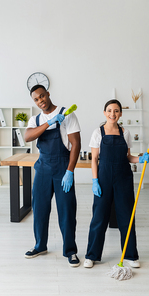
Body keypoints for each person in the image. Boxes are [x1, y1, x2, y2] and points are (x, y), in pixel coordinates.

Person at [84, 99, 149, 268]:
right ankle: (91, 255)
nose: (113, 114)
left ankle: (130, 255)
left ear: (120, 113)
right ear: (105, 113)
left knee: (127, 217)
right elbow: (94, 159)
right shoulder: (98, 133)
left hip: (123, 179)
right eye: (109, 110)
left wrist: (140, 159)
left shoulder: (125, 133)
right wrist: (94, 181)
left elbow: (128, 157)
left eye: (116, 111)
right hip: (103, 179)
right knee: (99, 217)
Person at [24, 85, 81, 267]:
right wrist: (49, 123)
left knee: (67, 211)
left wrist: (70, 171)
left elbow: (76, 144)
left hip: (62, 167)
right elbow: (28, 136)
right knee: (39, 209)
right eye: (36, 99)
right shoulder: (36, 119)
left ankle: (70, 251)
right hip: (42, 168)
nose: (40, 100)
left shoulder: (67, 114)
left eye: (42, 96)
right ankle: (40, 245)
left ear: (48, 94)